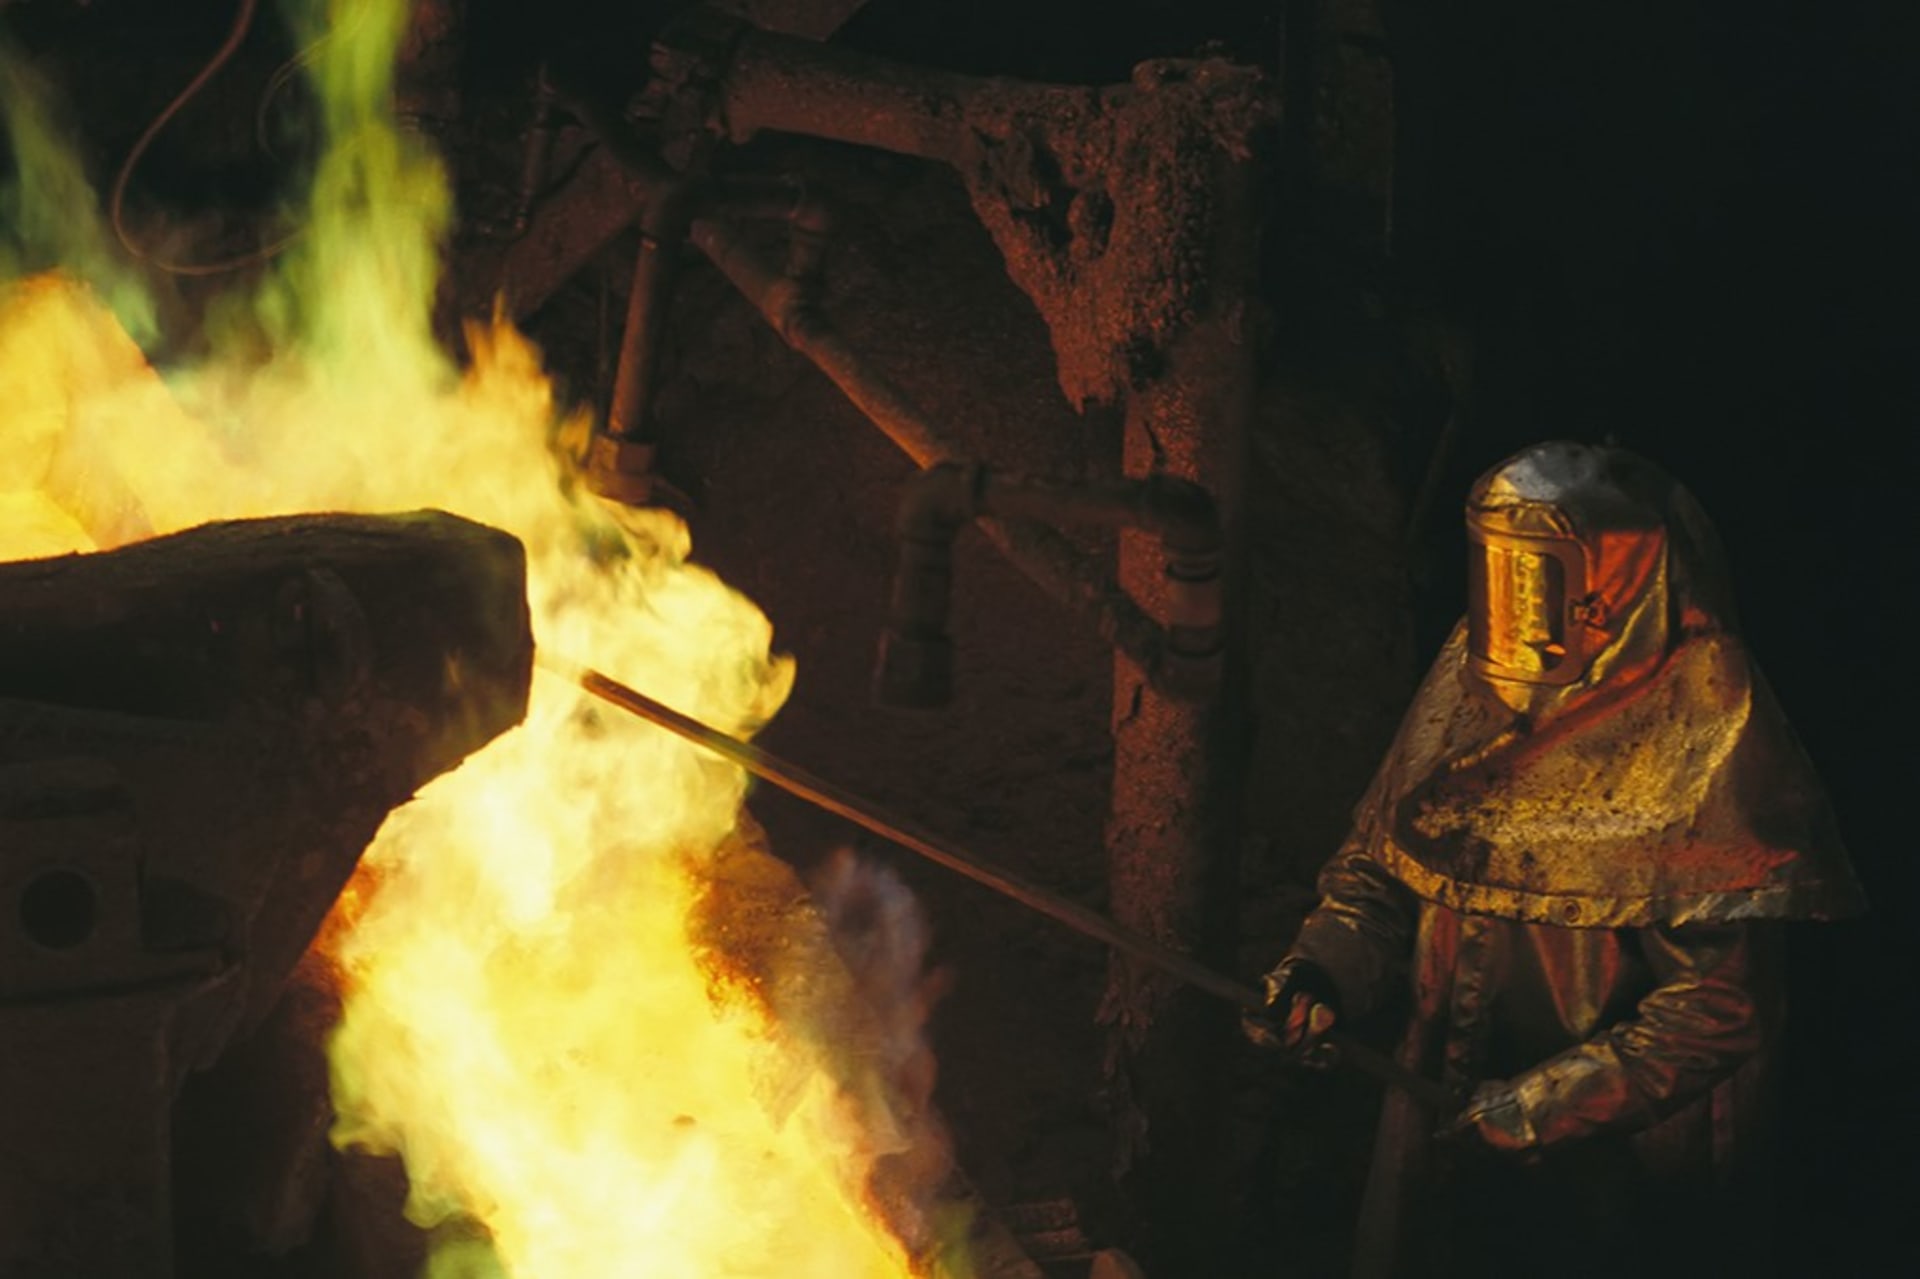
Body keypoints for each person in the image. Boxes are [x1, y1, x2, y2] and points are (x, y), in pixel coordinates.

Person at [1249, 441, 1864, 1277]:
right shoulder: (1471, 694)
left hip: (1611, 1165)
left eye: (1535, 580)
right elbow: (1379, 878)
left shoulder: (1700, 741)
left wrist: (1542, 1108)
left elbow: (1719, 1009)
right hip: (1446, 1107)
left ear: (1614, 591)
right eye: (1496, 573)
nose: (1513, 615)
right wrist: (1321, 971)